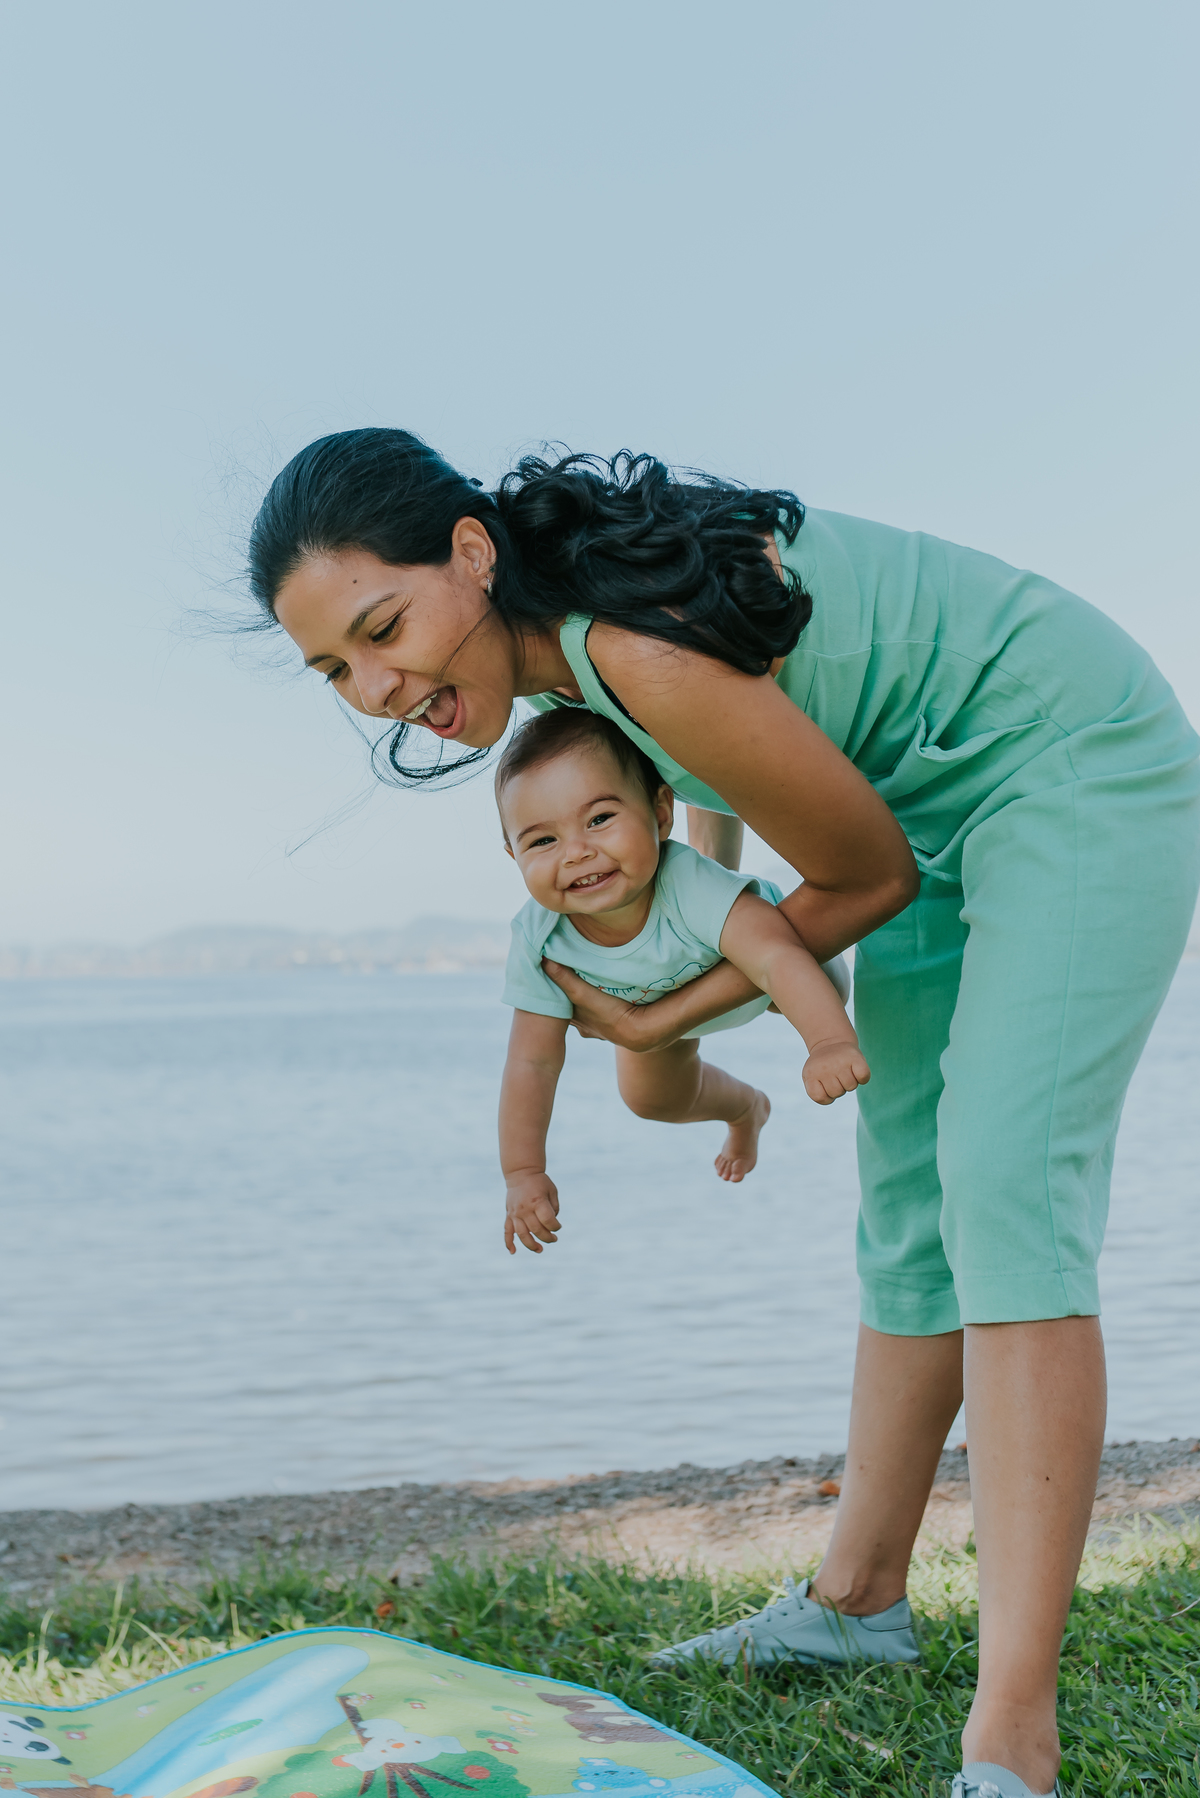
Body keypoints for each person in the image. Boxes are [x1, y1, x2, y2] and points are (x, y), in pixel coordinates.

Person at [250, 428, 1200, 1798]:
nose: (378, 688)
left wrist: (659, 1016)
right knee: (913, 1207)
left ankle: (1013, 1740)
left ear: (470, 552)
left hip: (1069, 760)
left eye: (382, 629)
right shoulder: (583, 667)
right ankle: (859, 1597)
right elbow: (736, 800)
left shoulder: (621, 653)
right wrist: (697, 966)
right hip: (928, 801)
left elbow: (857, 870)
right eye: (336, 669)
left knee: (1004, 1186)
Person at [494, 706, 863, 1252]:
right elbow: (532, 1061)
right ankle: (745, 1108)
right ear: (512, 855)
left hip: (757, 970)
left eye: (599, 819)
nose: (576, 852)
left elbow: (774, 960)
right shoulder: (540, 937)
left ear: (660, 813)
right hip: (656, 1006)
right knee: (649, 1098)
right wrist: (523, 1171)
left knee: (812, 979)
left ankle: (817, 1018)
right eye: (541, 841)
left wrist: (828, 1042)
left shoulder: (686, 883)